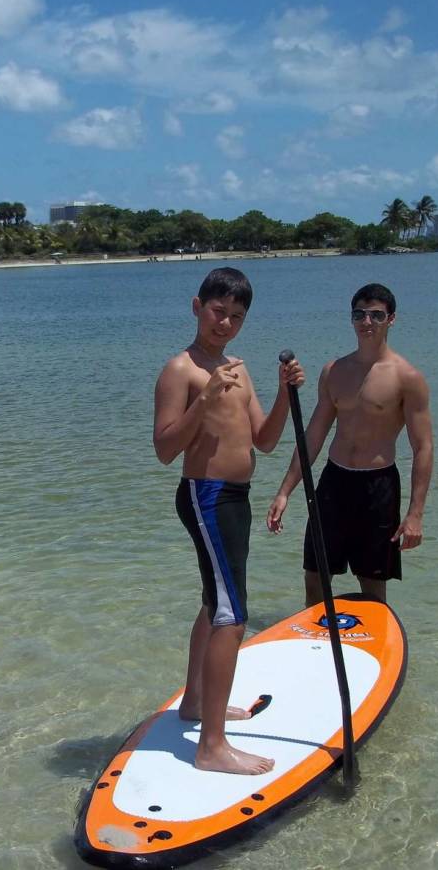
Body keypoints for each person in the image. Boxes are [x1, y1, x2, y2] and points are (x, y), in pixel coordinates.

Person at [153, 267, 304, 775]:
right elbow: (164, 449)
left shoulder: (237, 367)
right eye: (219, 312)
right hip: (207, 496)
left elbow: (263, 439)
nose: (226, 323)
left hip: (236, 496)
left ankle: (195, 704)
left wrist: (286, 393)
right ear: (197, 307)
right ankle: (211, 746)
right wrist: (204, 398)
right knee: (231, 617)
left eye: (237, 316)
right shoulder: (182, 369)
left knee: (214, 601)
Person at [266, 283, 433, 607]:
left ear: (391, 319)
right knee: (315, 577)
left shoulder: (408, 378)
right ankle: (318, 643)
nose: (367, 322)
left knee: (372, 584)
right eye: (359, 314)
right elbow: (313, 436)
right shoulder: (335, 371)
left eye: (376, 315)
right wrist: (285, 491)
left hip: (378, 486)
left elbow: (423, 447)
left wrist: (415, 514)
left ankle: (371, 649)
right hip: (334, 481)